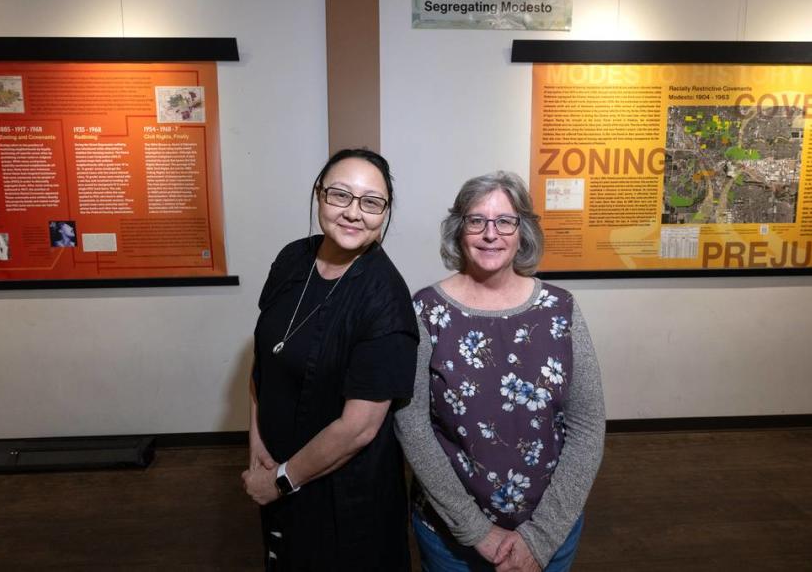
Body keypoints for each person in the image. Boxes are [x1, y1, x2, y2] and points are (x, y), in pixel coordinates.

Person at [396, 171, 605, 572]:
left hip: (549, 530)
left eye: (504, 221)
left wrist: (541, 536)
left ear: (522, 231)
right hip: (450, 537)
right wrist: (476, 531)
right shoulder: (426, 311)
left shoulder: (561, 309)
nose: (490, 234)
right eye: (477, 221)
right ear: (459, 230)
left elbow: (587, 427)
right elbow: (412, 426)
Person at [241, 148, 419, 571]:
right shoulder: (291, 259)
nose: (354, 213)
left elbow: (358, 429)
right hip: (276, 470)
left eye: (371, 202)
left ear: (385, 213)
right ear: (319, 196)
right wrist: (257, 443)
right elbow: (265, 358)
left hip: (345, 495)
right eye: (340, 195)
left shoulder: (386, 299)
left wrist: (281, 480)